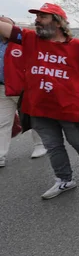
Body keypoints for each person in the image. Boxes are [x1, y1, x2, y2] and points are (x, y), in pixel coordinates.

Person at [0, 3, 79, 199]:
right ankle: (64, 180)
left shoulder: (78, 46)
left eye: (42, 17)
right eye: (37, 17)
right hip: (38, 105)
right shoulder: (28, 39)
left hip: (67, 105)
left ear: (58, 22)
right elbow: (5, 28)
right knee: (52, 145)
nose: (37, 20)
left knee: (77, 140)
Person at [0, 16, 47, 165]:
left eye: (5, 24)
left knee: (33, 118)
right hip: (3, 89)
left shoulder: (24, 42)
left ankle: (40, 144)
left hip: (25, 89)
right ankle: (1, 155)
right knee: (2, 123)